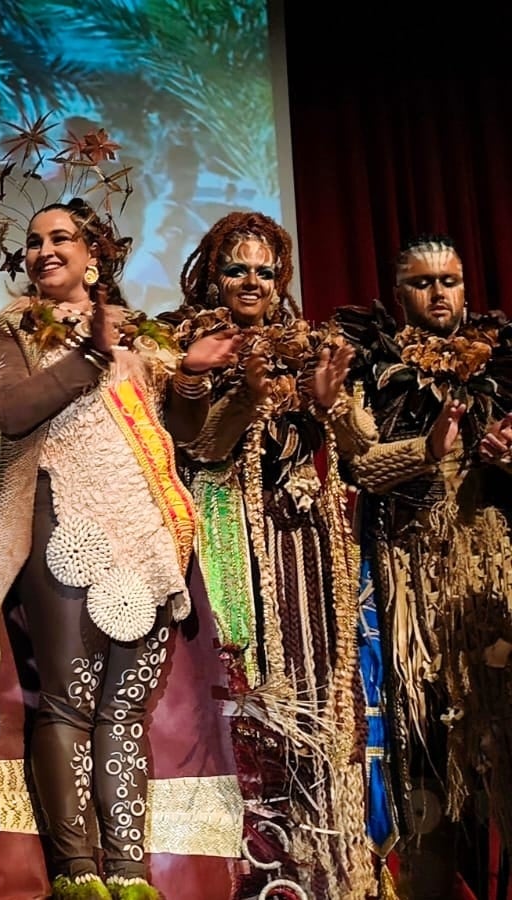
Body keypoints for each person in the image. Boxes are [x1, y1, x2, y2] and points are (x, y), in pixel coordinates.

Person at [0, 199, 243, 900]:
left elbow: (179, 428)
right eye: (33, 241)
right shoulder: (12, 330)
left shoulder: (139, 335)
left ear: (95, 254)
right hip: (64, 526)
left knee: (124, 714)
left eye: (61, 237)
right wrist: (89, 350)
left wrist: (191, 374)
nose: (45, 250)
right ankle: (78, 871)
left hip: (147, 535)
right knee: (70, 705)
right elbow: (10, 409)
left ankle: (129, 872)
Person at [164, 212, 373, 899]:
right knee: (240, 698)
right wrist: (243, 394)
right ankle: (246, 872)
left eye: (264, 270)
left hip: (301, 548)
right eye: (236, 268)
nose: (251, 282)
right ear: (211, 273)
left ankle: (321, 868)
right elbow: (199, 444)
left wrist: (330, 408)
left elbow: (361, 450)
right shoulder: (184, 344)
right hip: (223, 537)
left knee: (312, 698)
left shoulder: (311, 346)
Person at [336, 235, 512, 900]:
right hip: (411, 587)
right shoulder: (371, 369)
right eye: (422, 282)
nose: (440, 293)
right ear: (399, 291)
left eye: (451, 280)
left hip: (491, 583)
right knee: (424, 765)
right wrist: (424, 447)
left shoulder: (504, 364)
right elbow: (358, 464)